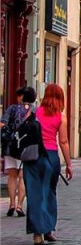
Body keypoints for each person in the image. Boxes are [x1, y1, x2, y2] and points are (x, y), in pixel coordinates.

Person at [22, 84, 73, 245]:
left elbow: (24, 131)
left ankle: (38, 234)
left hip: (32, 156)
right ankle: (48, 229)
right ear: (60, 97)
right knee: (49, 193)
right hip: (50, 157)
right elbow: (63, 142)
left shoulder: (34, 112)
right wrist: (69, 165)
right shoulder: (61, 116)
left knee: (34, 194)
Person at [1, 86, 36, 217]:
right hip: (27, 148)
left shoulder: (12, 109)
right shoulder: (34, 111)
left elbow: (2, 123)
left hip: (11, 146)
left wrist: (10, 134)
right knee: (22, 176)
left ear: (21, 97)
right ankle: (20, 206)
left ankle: (11, 204)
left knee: (12, 175)